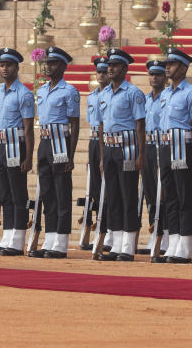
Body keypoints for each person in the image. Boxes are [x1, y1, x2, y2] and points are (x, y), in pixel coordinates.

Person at [96, 47, 146, 262]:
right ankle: (115, 244)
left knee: (128, 196)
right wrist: (101, 156)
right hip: (109, 148)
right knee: (113, 196)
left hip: (127, 149)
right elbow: (100, 126)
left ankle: (127, 245)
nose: (110, 68)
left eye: (115, 65)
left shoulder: (133, 93)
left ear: (125, 68)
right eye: (109, 64)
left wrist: (141, 154)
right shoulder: (103, 93)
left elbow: (140, 125)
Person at [33, 46, 80, 258]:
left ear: (62, 66)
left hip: (61, 142)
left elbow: (75, 124)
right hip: (44, 141)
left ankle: (60, 241)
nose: (48, 66)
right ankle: (49, 237)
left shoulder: (69, 91)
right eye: (47, 62)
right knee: (47, 192)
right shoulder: (42, 90)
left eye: (53, 63)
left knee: (62, 192)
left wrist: (71, 155)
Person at [157, 48, 192, 263]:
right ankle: (173, 243)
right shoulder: (165, 94)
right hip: (166, 146)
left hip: (183, 147)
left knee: (185, 196)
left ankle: (185, 245)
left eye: (172, 64)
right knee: (170, 197)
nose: (167, 67)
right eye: (167, 63)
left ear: (183, 68)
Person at [0, 47, 34, 257]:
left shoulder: (24, 93)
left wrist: (28, 156)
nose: (4, 68)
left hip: (17, 144)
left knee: (18, 193)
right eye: (2, 64)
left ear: (17, 67)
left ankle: (17, 239)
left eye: (8, 65)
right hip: (0, 144)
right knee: (5, 193)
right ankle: (7, 236)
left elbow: (28, 127)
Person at [82, 55, 109, 251]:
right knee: (94, 189)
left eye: (104, 71)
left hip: (108, 142)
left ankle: (106, 230)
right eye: (98, 71)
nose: (101, 75)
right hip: (93, 143)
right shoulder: (92, 96)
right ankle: (97, 228)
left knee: (106, 190)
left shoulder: (110, 94)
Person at [141, 59, 168, 253]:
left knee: (163, 193)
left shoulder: (167, 97)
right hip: (148, 146)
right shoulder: (145, 99)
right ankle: (154, 230)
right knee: (150, 192)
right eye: (151, 74)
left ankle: (165, 234)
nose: (154, 78)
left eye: (157, 74)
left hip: (162, 146)